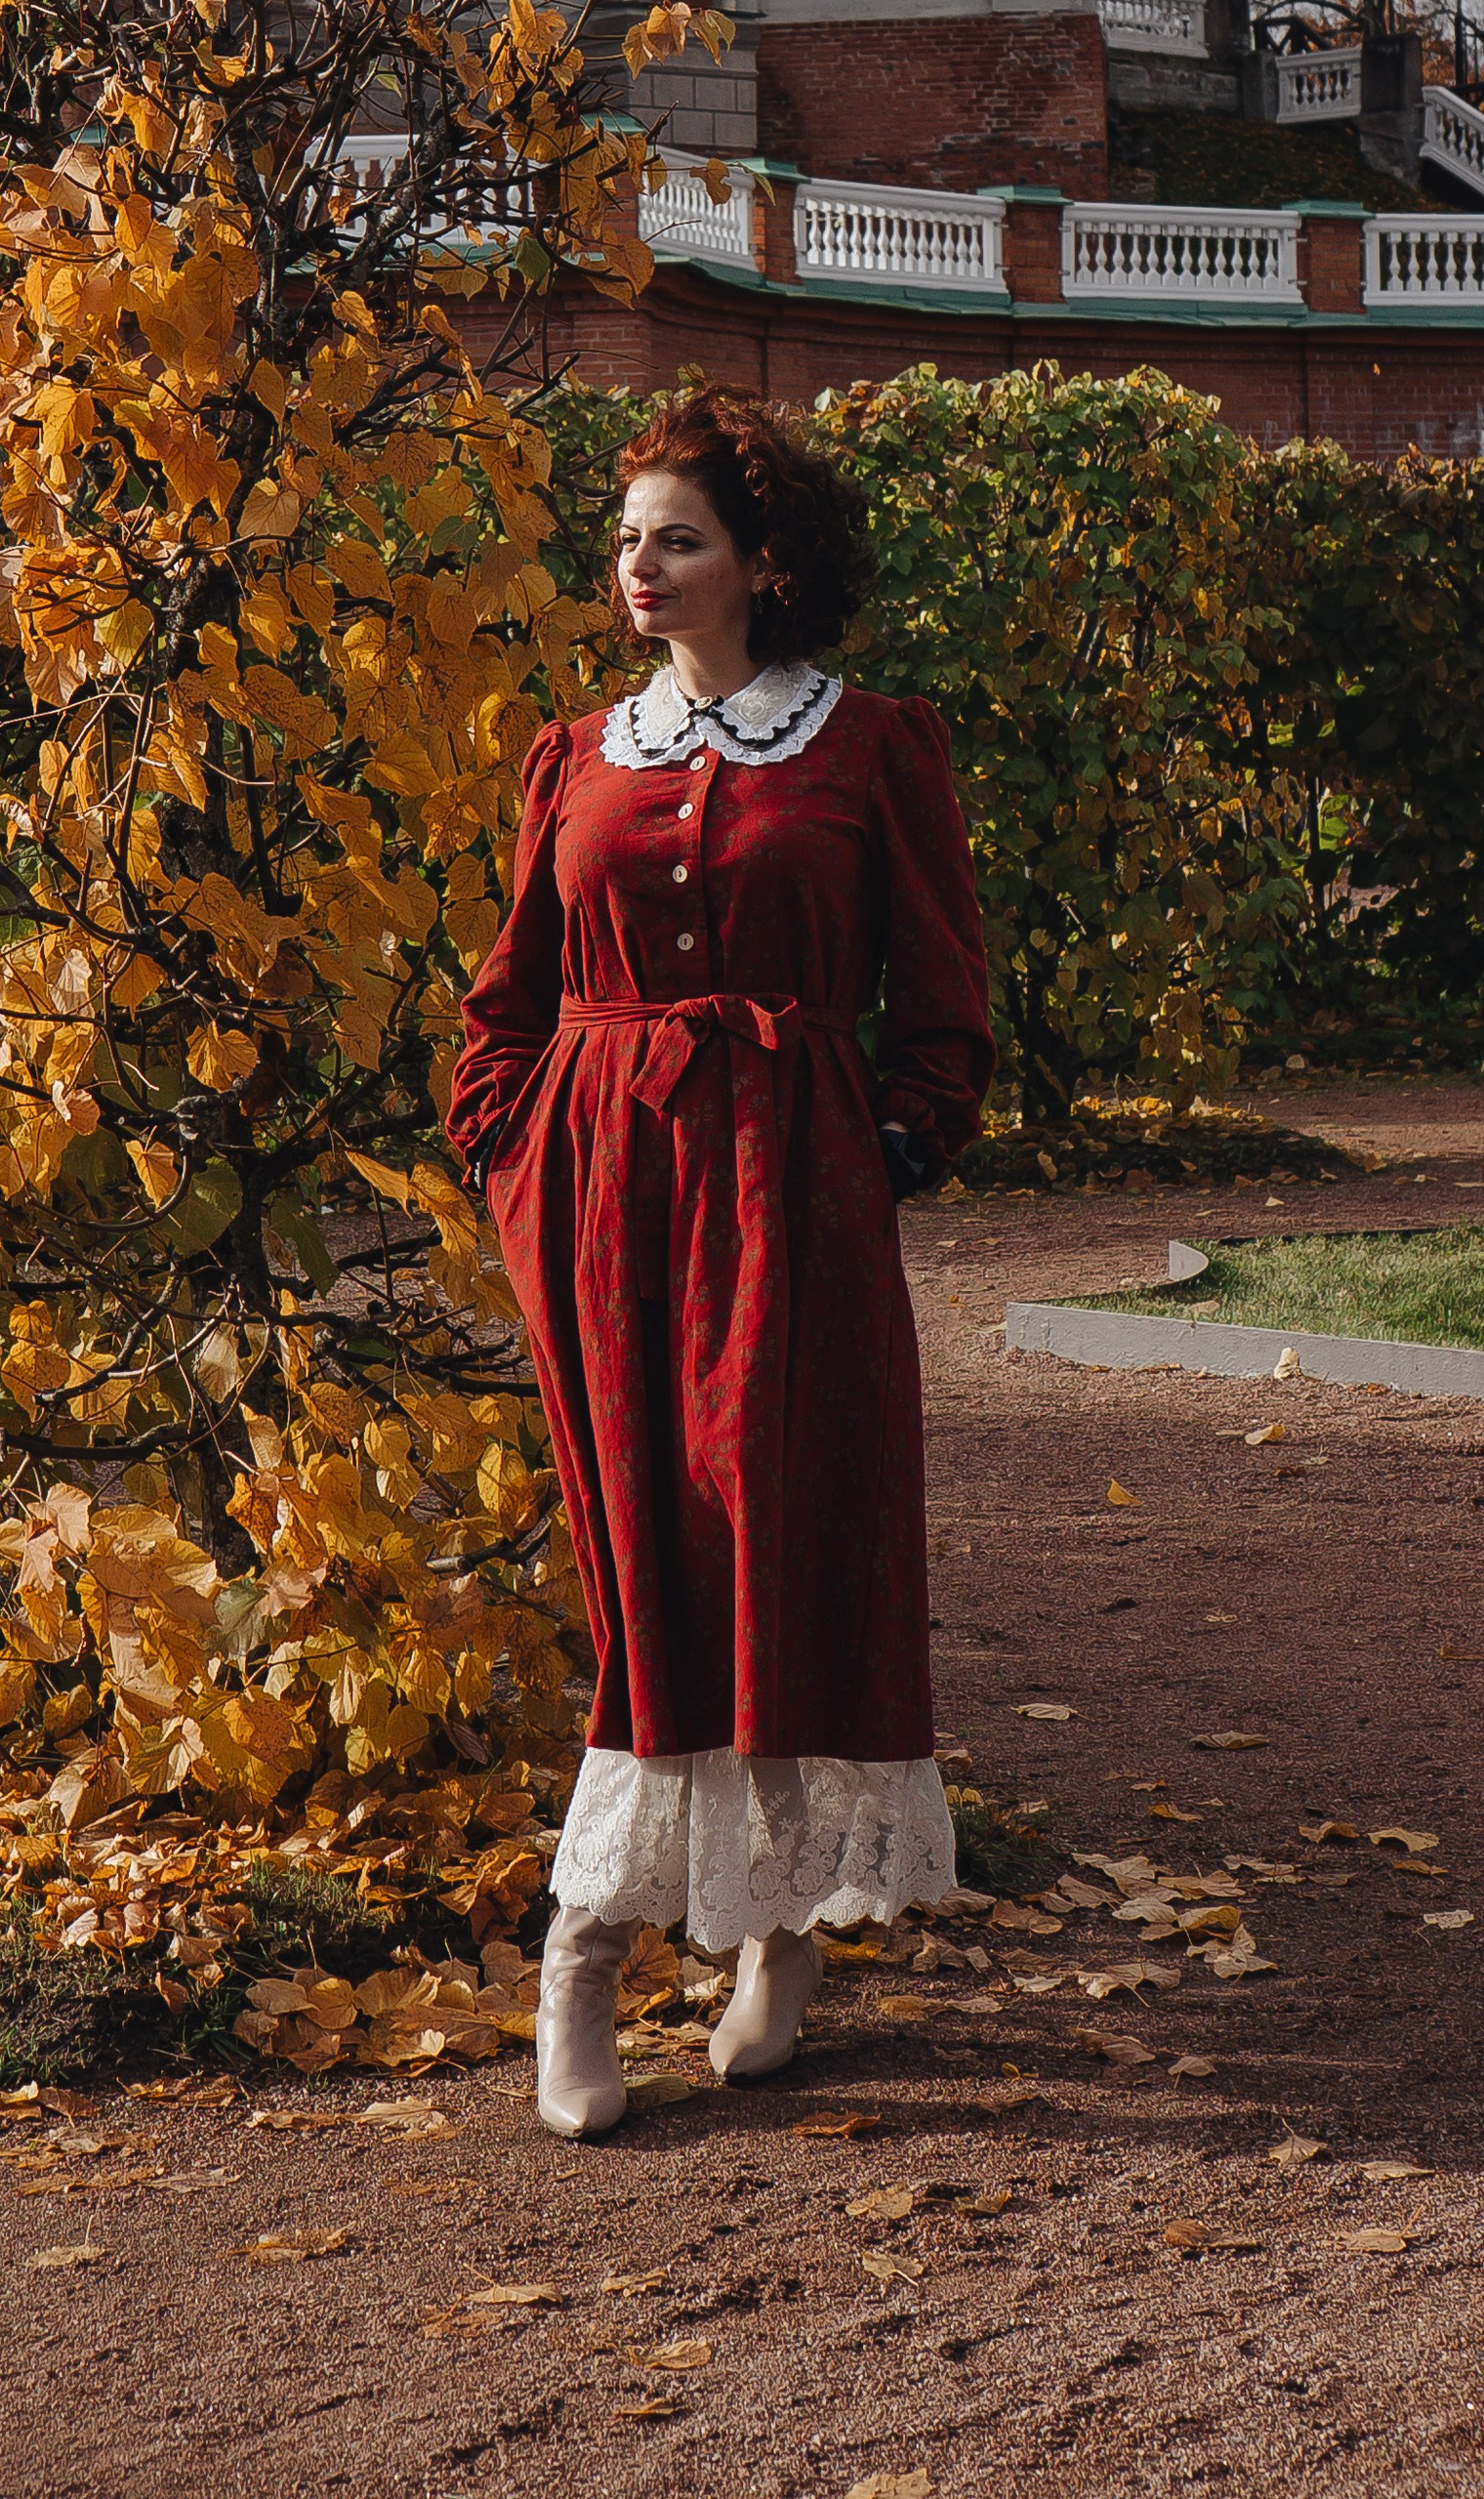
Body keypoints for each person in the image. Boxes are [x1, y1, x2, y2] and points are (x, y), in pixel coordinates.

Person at [446, 389, 995, 2140]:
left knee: (777, 1532)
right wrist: (510, 1147)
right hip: (608, 1197)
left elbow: (946, 992)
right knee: (644, 1558)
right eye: (623, 540)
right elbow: (510, 992)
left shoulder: (867, 746)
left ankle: (775, 1942)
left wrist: (896, 1141)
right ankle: (587, 1952)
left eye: (674, 537)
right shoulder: (575, 756)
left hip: (796, 1193)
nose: (638, 565)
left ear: (761, 561)